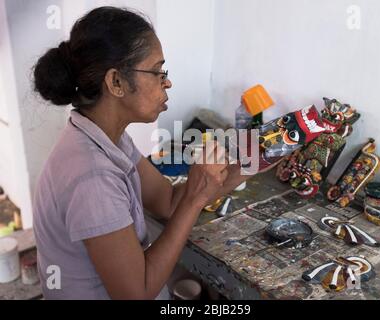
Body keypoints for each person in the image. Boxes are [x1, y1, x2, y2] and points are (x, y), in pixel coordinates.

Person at [32, 6, 274, 300]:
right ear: (116, 82)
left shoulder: (105, 137)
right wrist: (195, 198)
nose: (167, 81)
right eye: (157, 71)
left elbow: (169, 202)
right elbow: (137, 294)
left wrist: (256, 161)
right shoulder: (92, 178)